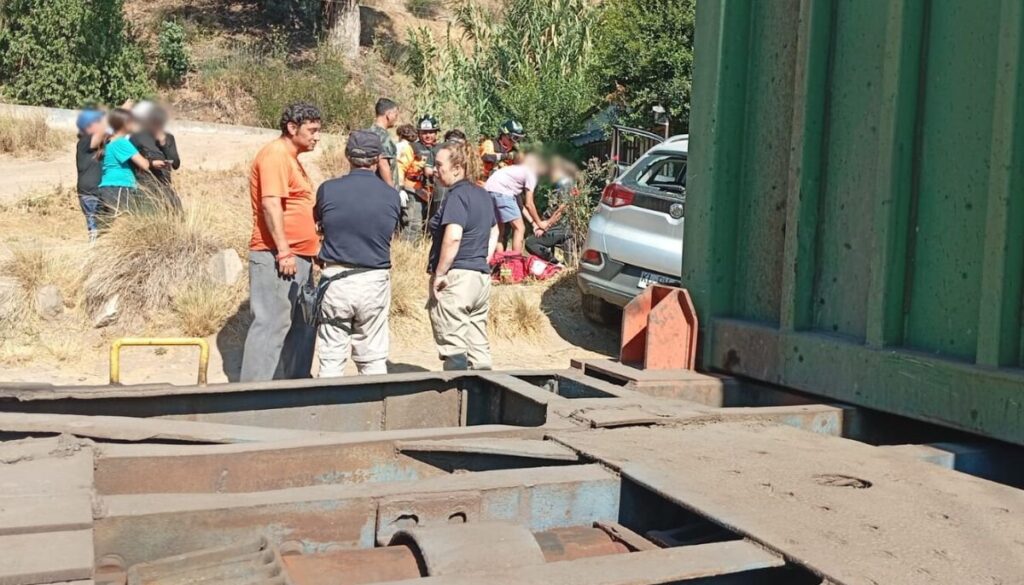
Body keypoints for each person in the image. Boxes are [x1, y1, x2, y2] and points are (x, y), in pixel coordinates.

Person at [240, 103, 322, 382]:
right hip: (277, 256)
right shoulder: (275, 155)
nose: (317, 137)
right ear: (292, 127)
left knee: (300, 326)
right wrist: (284, 251)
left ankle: (292, 391)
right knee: (271, 325)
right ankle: (252, 396)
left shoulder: (291, 159)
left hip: (298, 257)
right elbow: (271, 205)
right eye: (312, 130)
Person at [314, 130, 401, 377]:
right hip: (374, 279)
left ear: (347, 155)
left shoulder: (327, 189)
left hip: (336, 278)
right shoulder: (391, 196)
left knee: (331, 356)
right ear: (377, 159)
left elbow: (318, 223)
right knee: (373, 357)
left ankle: (327, 400)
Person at [427, 141, 499, 371]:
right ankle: (484, 389)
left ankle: (456, 390)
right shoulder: (483, 194)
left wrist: (440, 273)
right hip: (480, 279)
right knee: (478, 349)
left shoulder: (457, 195)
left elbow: (454, 237)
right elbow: (495, 230)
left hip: (457, 279)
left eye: (440, 165)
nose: (435, 170)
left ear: (457, 168)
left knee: (454, 350)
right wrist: (483, 259)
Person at [96, 108, 164, 230]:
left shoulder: (110, 142)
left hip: (106, 188)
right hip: (120, 187)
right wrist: (152, 163)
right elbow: (144, 165)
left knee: (104, 229)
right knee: (122, 226)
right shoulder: (122, 142)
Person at [484, 152, 544, 255]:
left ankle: (498, 260)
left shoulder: (515, 171)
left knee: (499, 230)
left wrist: (534, 223)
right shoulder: (531, 174)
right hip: (501, 192)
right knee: (519, 228)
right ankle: (515, 260)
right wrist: (540, 222)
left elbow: (521, 206)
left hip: (488, 191)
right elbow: (529, 203)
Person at [130, 103, 181, 210]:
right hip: (145, 187)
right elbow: (131, 161)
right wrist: (151, 164)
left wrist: (163, 143)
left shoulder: (168, 137)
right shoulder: (137, 137)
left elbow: (176, 164)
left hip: (165, 186)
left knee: (175, 213)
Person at [525, 164, 576, 264]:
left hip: (562, 227)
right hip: (560, 226)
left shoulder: (564, 184)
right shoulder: (563, 183)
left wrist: (546, 226)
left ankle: (555, 263)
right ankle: (556, 263)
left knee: (530, 242)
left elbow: (562, 209)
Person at [401, 115, 441, 236]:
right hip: (414, 191)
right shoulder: (412, 148)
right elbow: (400, 168)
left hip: (434, 193)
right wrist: (400, 188)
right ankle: (408, 247)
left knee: (433, 225)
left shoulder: (440, 149)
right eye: (424, 132)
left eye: (431, 132)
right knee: (414, 225)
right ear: (418, 133)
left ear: (436, 133)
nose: (428, 135)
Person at [75, 108, 106, 241]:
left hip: (100, 192)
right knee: (96, 231)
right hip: (90, 193)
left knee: (102, 230)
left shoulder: (100, 146)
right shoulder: (85, 141)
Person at [366, 98, 400, 187]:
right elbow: (383, 163)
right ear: (388, 115)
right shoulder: (383, 136)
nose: (396, 118)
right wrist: (391, 189)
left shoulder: (369, 132)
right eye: (395, 115)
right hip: (383, 188)